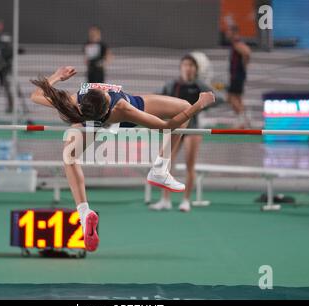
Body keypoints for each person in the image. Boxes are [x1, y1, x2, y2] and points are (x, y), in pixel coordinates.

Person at [30, 66, 215, 251]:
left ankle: (84, 211)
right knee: (184, 107)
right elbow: (166, 126)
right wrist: (198, 105)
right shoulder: (121, 107)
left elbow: (36, 95)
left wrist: (57, 76)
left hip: (86, 119)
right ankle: (160, 168)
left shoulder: (73, 102)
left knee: (69, 157)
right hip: (117, 113)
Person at [150, 54, 215, 212]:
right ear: (181, 68)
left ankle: (185, 200)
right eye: (185, 65)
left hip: (192, 129)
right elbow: (156, 97)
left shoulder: (200, 86)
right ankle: (165, 200)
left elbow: (215, 98)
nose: (188, 68)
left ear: (195, 69)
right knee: (165, 163)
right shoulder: (172, 85)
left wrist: (202, 106)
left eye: (191, 65)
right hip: (175, 128)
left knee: (189, 165)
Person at [226, 25, 251, 128]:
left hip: (237, 76)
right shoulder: (234, 43)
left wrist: (245, 64)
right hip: (237, 75)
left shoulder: (237, 43)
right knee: (238, 98)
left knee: (231, 98)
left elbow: (247, 52)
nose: (227, 34)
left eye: (228, 32)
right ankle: (245, 119)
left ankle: (242, 120)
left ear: (233, 32)